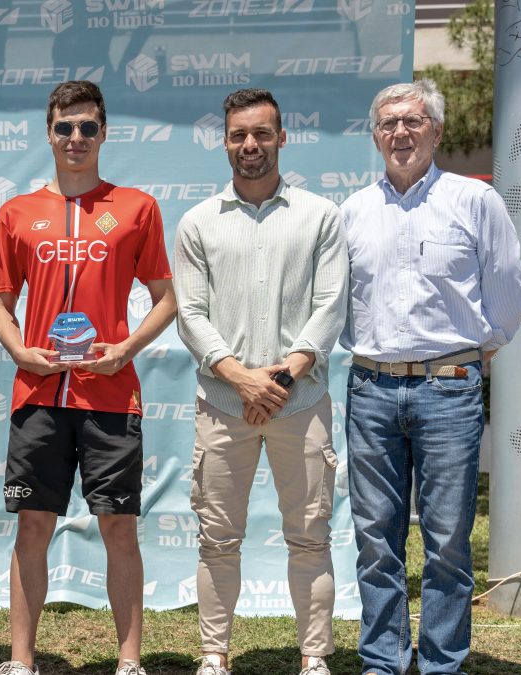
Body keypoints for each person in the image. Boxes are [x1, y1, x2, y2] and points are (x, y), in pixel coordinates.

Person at [0, 80, 177, 675]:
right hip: (39, 392)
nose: (76, 138)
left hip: (110, 394)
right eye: (65, 127)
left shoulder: (136, 207)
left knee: (118, 527)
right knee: (33, 528)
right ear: (48, 133)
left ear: (103, 133)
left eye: (88, 127)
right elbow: (0, 301)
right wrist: (20, 350)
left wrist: (124, 348)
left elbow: (166, 300)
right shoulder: (16, 213)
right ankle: (21, 661)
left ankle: (129, 661)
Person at [341, 79, 521, 675]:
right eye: (388, 123)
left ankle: (442, 662)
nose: (400, 133)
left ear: (436, 132)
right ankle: (382, 662)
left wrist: (470, 356)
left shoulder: (474, 201)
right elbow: (340, 305)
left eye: (413, 122)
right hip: (369, 388)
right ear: (375, 134)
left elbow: (506, 296)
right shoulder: (353, 211)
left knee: (447, 540)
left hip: (449, 389)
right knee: (376, 539)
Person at [173, 88, 348, 675]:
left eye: (262, 133)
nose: (251, 145)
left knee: (310, 537)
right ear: (224, 141)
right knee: (217, 539)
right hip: (225, 401)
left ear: (281, 137)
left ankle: (315, 657)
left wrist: (274, 381)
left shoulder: (321, 216)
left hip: (302, 401)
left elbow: (329, 306)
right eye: (239, 135)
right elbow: (190, 315)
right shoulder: (197, 222)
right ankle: (213, 655)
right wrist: (242, 379)